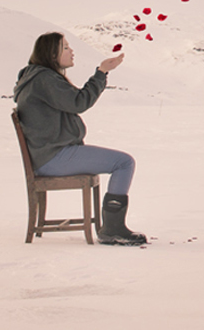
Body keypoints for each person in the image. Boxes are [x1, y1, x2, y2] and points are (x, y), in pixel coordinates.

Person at [14, 32, 146, 245]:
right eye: (65, 47)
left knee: (122, 162)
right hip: (54, 157)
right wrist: (102, 72)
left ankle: (112, 228)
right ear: (51, 53)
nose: (71, 51)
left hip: (48, 155)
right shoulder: (44, 79)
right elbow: (79, 102)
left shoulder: (37, 77)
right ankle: (112, 229)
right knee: (124, 163)